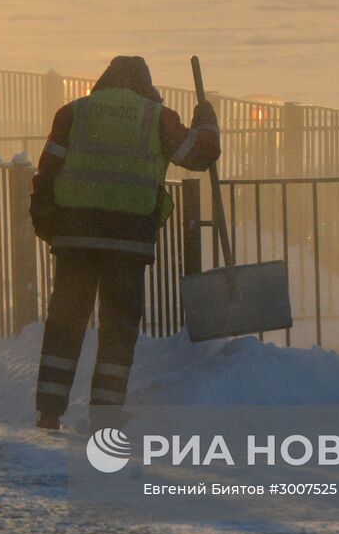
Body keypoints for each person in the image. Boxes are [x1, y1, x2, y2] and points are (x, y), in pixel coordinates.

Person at [30, 55, 220, 430]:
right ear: (145, 85)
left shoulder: (73, 113)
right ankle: (106, 414)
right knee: (118, 328)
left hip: (76, 235)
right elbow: (198, 154)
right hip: (128, 240)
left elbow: (47, 171)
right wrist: (207, 121)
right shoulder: (156, 117)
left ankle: (49, 410)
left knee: (65, 322)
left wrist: (45, 220)